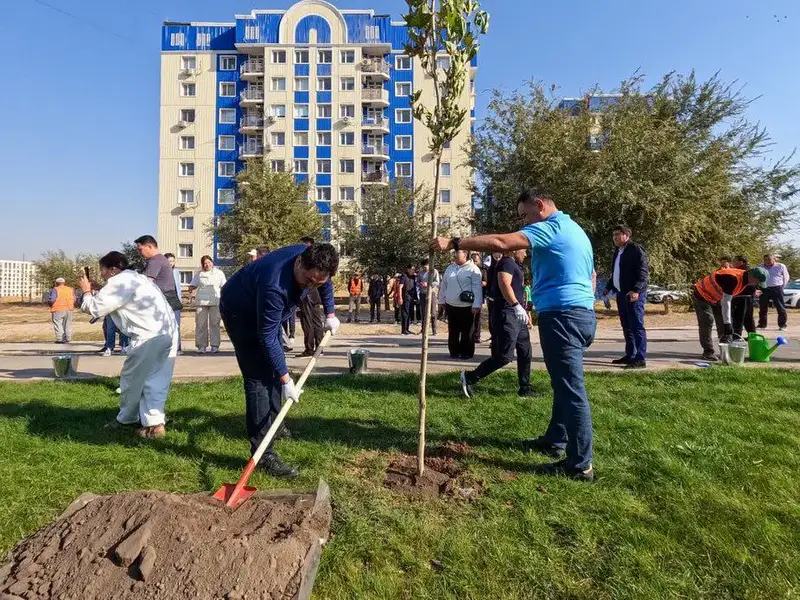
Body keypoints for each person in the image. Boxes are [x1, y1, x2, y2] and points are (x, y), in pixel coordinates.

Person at [432, 188, 597, 481]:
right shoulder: (574, 228)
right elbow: (592, 274)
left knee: (572, 391)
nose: (524, 224)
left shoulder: (553, 227)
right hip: (580, 314)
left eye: (524, 216)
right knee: (564, 384)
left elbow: (500, 242)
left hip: (563, 317)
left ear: (540, 205)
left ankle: (580, 465)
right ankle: (555, 440)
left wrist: (455, 242)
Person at [219, 243, 341, 478]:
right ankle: (263, 454)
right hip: (241, 311)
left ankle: (275, 422)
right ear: (298, 263)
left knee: (274, 367)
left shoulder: (313, 260)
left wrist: (330, 314)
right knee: (258, 379)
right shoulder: (275, 285)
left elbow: (325, 282)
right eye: (307, 281)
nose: (311, 287)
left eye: (318, 282)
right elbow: (267, 336)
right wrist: (286, 380)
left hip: (268, 311)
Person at [79, 251, 178, 439]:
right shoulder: (137, 278)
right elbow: (120, 297)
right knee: (157, 380)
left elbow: (95, 308)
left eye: (103, 271)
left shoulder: (119, 282)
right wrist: (100, 288)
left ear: (113, 269)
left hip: (148, 336)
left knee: (132, 381)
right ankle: (154, 425)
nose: (102, 275)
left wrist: (85, 291)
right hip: (168, 332)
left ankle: (127, 420)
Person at [461, 249, 535, 397]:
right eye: (523, 250)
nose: (525, 254)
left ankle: (525, 388)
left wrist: (523, 310)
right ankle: (470, 377)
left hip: (516, 315)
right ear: (514, 250)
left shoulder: (515, 265)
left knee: (525, 352)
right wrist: (515, 305)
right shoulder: (506, 264)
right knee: (505, 356)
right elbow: (504, 283)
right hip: (507, 314)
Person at [692, 265, 768, 361]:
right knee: (707, 320)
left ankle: (726, 352)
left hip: (716, 298)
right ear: (751, 276)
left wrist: (727, 324)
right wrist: (728, 323)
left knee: (724, 325)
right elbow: (726, 301)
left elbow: (727, 300)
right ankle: (708, 352)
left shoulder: (745, 280)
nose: (757, 284)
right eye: (757, 281)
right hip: (702, 293)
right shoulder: (733, 278)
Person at [605, 225, 649, 369]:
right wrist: (608, 287)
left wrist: (636, 290)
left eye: (618, 234)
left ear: (627, 235)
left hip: (633, 294)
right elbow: (616, 272)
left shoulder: (636, 249)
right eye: (613, 235)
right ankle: (630, 355)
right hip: (621, 293)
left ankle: (640, 358)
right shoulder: (617, 251)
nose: (615, 237)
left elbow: (643, 273)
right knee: (626, 326)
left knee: (636, 326)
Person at [439, 251, 483, 358]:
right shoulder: (450, 268)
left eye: (457, 253)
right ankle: (454, 352)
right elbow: (444, 285)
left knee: (467, 331)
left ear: (465, 254)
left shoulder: (473, 269)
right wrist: (441, 301)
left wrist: (476, 304)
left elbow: (477, 288)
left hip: (466, 307)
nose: (455, 255)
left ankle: (466, 353)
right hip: (451, 305)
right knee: (453, 330)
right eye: (454, 253)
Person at [134, 235, 183, 315]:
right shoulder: (160, 258)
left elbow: (145, 282)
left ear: (149, 246)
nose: (139, 253)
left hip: (160, 301)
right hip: (166, 300)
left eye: (140, 250)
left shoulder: (155, 260)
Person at [188, 255, 227, 354]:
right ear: (202, 265)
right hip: (201, 302)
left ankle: (215, 346)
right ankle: (201, 346)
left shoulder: (219, 273)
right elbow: (192, 285)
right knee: (201, 324)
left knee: (215, 324)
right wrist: (191, 289)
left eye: (209, 262)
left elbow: (224, 286)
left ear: (212, 263)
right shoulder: (199, 274)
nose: (207, 265)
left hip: (215, 301)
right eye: (205, 263)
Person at [296, 237, 324, 358]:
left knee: (308, 322)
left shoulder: (306, 259)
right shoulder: (317, 259)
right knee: (316, 322)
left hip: (307, 295)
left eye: (304, 245)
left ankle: (309, 349)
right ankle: (319, 348)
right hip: (314, 295)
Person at [758, 254, 790, 331]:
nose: (767, 261)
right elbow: (756, 277)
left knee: (780, 307)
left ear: (774, 259)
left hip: (776, 288)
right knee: (763, 307)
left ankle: (782, 325)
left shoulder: (780, 266)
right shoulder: (760, 266)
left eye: (769, 259)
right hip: (764, 288)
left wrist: (781, 287)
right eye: (765, 259)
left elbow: (786, 277)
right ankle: (762, 325)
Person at [731, 255, 756, 337]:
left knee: (738, 317)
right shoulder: (749, 270)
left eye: (734, 261)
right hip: (748, 297)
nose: (732, 263)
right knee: (748, 318)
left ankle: (737, 336)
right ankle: (752, 336)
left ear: (741, 262)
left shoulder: (741, 271)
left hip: (741, 297)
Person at [165, 253, 183, 353]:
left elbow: (178, 287)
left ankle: (178, 347)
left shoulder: (176, 271)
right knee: (167, 325)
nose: (171, 263)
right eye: (169, 261)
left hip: (175, 300)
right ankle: (168, 347)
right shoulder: (161, 272)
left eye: (172, 261)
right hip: (166, 300)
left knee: (176, 324)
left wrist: (180, 300)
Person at [48, 277, 75, 344]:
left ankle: (60, 339)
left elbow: (52, 299)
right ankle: (68, 338)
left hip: (58, 309)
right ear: (64, 283)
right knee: (67, 324)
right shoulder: (70, 289)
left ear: (56, 283)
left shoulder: (55, 289)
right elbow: (74, 299)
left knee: (58, 324)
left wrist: (49, 303)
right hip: (69, 309)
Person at [418, 259, 441, 335]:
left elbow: (437, 282)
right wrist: (420, 284)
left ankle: (434, 330)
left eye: (426, 266)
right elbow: (417, 282)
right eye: (423, 266)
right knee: (424, 313)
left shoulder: (434, 272)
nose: (425, 267)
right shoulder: (420, 273)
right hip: (422, 293)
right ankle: (423, 329)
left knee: (433, 313)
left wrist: (428, 284)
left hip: (432, 293)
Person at [471, 252, 487, 343]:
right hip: (468, 296)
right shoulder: (468, 269)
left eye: (476, 260)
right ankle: (469, 335)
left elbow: (485, 282)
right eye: (472, 260)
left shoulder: (482, 270)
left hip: (478, 295)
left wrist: (478, 283)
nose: (474, 262)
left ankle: (476, 336)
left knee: (477, 317)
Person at [397, 265, 418, 335]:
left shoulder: (413, 277)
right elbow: (400, 287)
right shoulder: (404, 276)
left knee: (410, 314)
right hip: (405, 298)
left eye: (414, 269)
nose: (413, 271)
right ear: (408, 269)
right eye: (412, 269)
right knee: (405, 314)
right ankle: (404, 330)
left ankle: (407, 329)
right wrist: (400, 297)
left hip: (412, 298)